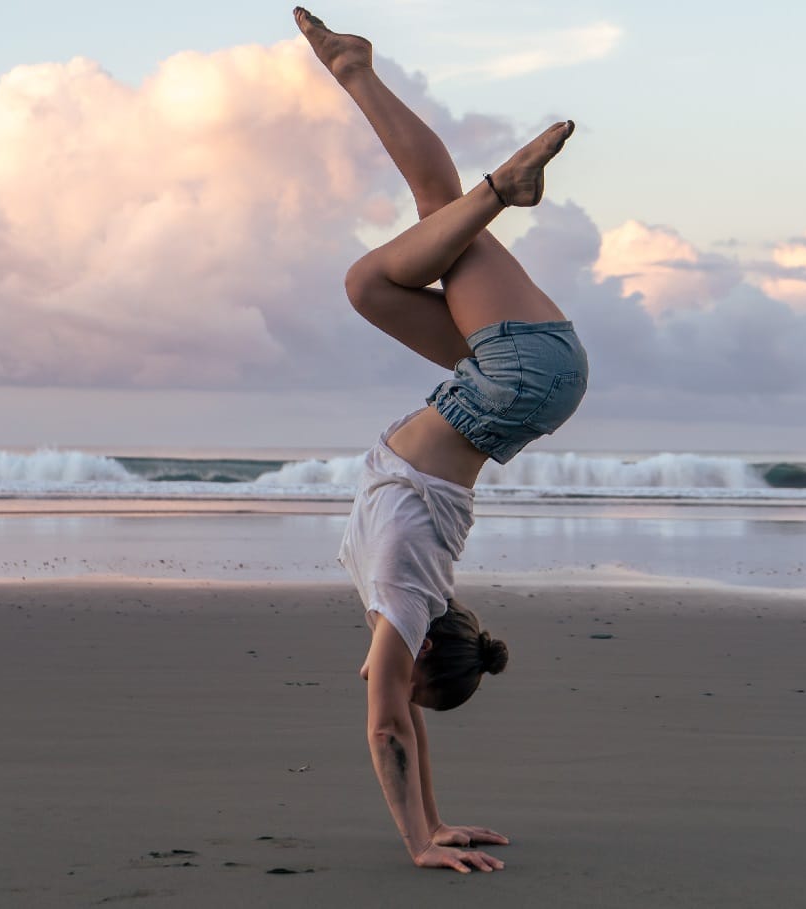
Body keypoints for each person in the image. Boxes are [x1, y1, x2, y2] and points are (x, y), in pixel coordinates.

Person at [293, 8, 589, 874]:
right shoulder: (405, 598)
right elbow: (389, 718)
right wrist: (415, 842)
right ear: (424, 652)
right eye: (408, 675)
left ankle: (355, 73)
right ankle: (504, 187)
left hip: (521, 381)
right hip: (511, 379)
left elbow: (402, 711)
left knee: (398, 261)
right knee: (373, 271)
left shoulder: (410, 604)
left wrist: (434, 818)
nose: (382, 682)